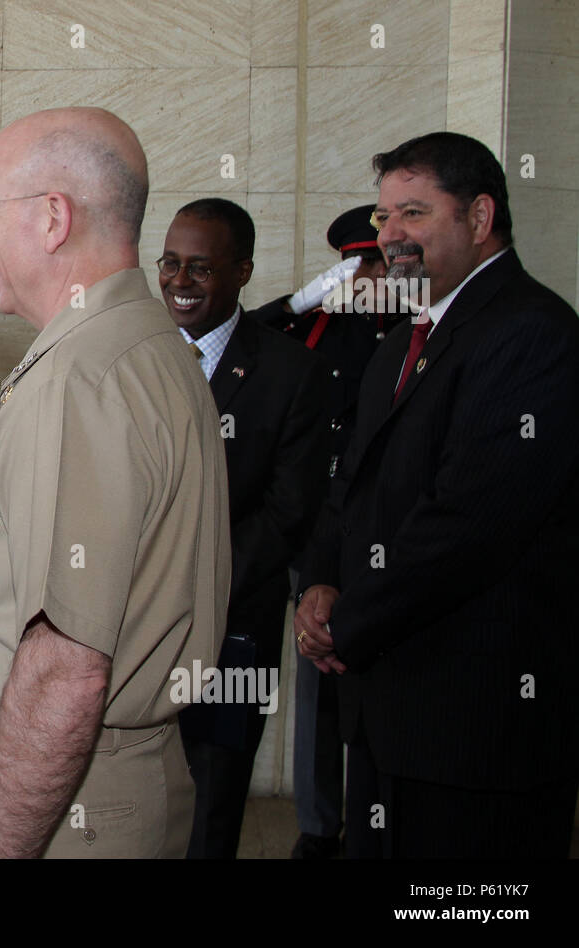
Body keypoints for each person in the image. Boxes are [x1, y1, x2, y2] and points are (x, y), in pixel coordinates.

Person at [0, 107, 231, 859]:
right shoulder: (147, 344)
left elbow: (67, 670)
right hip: (108, 785)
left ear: (53, 218)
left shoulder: (79, 378)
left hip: (54, 806)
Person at [296, 131, 579, 858]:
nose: (390, 236)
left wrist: (351, 621)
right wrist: (323, 582)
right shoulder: (400, 342)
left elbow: (470, 525)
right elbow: (349, 483)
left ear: (480, 219)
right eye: (385, 218)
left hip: (478, 728)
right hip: (390, 711)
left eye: (412, 214)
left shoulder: (534, 334)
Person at [158, 199, 330, 859]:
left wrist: (191, 582)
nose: (180, 281)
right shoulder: (132, 354)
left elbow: (291, 511)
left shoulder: (292, 373)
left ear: (243, 272)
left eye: (201, 268)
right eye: (170, 263)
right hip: (129, 623)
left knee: (213, 802)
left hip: (233, 627)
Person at [247, 204, 407, 859]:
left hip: (385, 529)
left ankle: (381, 818)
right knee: (315, 678)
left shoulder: (415, 326)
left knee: (380, 675)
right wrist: (308, 295)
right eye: (359, 262)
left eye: (379, 259)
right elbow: (242, 334)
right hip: (314, 527)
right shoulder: (310, 326)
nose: (372, 273)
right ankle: (319, 827)